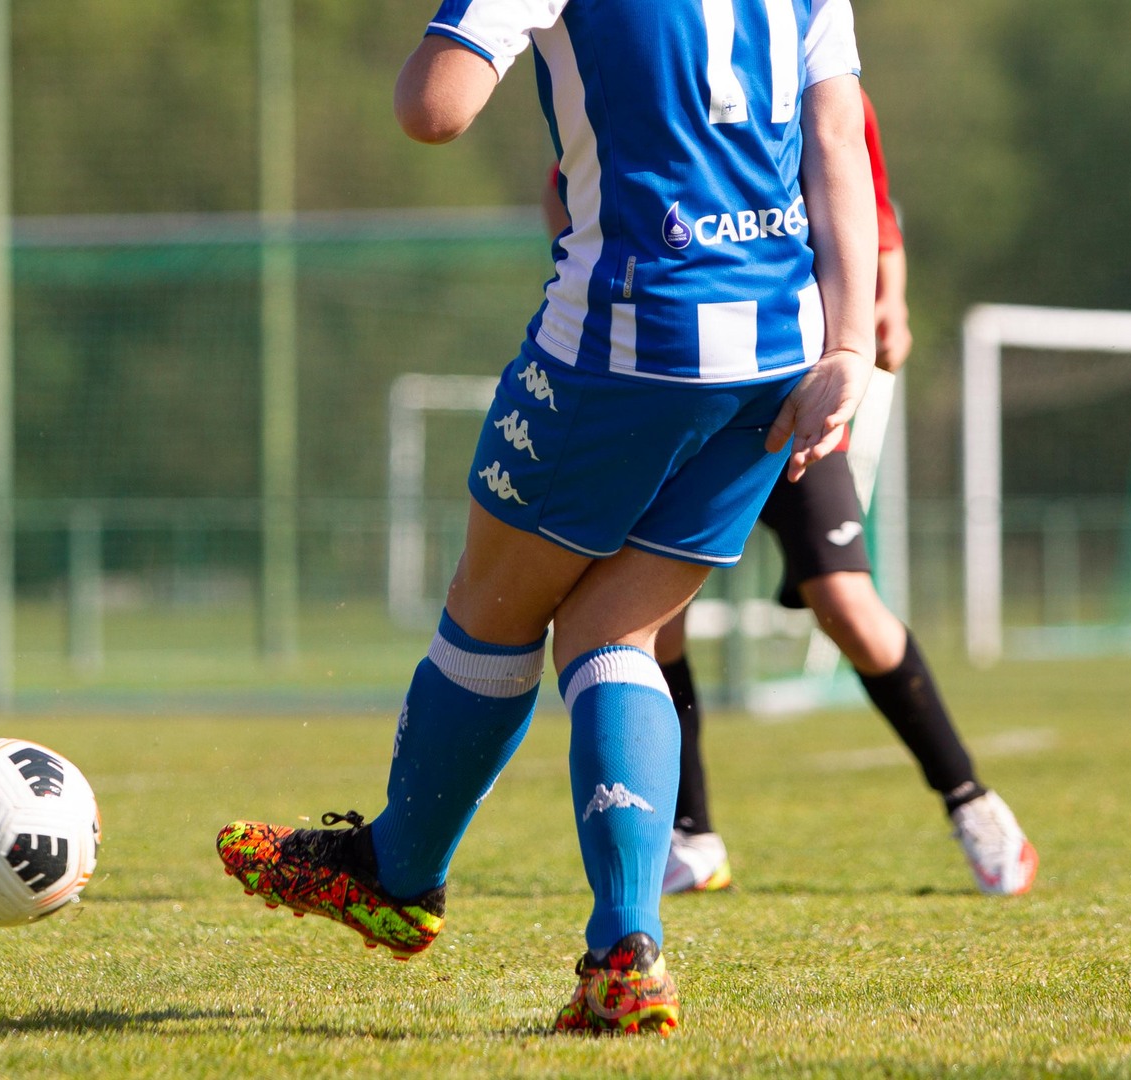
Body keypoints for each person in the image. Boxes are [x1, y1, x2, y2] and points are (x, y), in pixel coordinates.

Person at [216, 0, 877, 1035]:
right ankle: (626, 951)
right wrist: (852, 346)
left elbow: (433, 110)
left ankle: (397, 874)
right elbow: (838, 136)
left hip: (627, 338)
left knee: (490, 607)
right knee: (617, 634)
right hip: (778, 350)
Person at [546, 91, 1036, 897]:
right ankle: (692, 834)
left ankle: (970, 801)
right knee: (652, 616)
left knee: (846, 604)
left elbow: (869, 204)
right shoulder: (641, 55)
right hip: (674, 385)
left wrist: (889, 304)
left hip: (790, 389)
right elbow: (566, 184)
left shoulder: (808, 69)